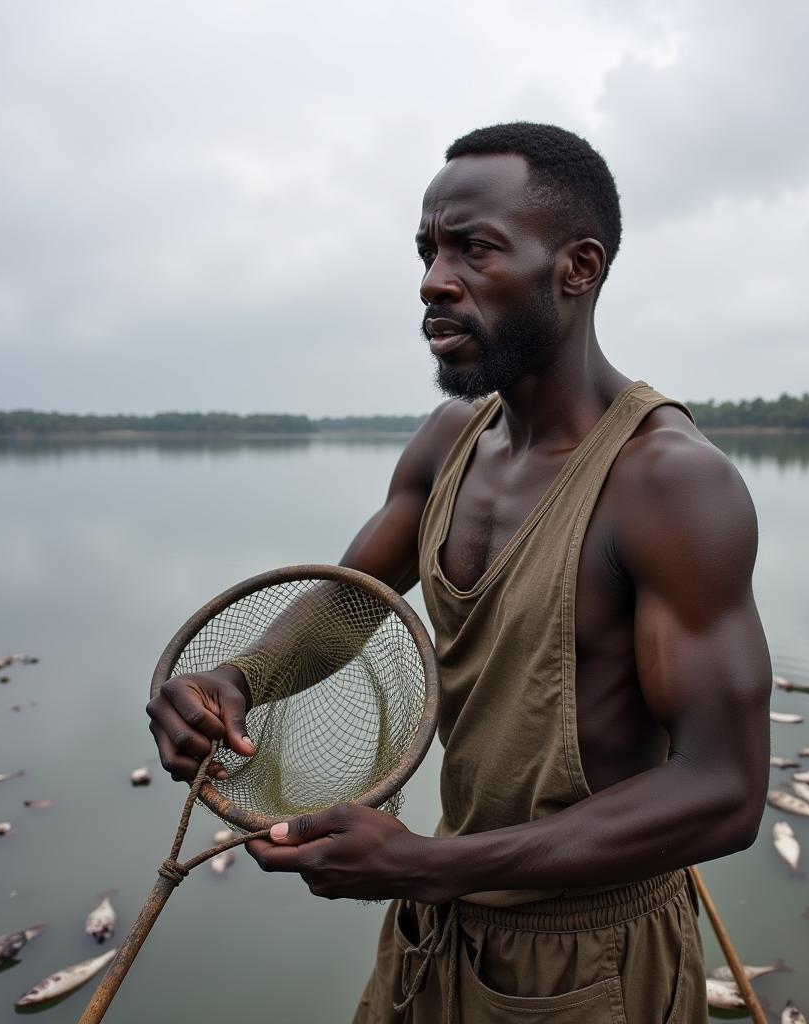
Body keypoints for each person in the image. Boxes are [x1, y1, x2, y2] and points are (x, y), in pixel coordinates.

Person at [147, 122, 771, 1023]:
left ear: (577, 267)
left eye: (475, 249)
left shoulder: (668, 483)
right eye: (429, 250)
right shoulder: (452, 440)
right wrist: (233, 681)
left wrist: (422, 865)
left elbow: (724, 792)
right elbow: (345, 608)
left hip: (588, 956)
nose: (436, 281)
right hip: (438, 922)